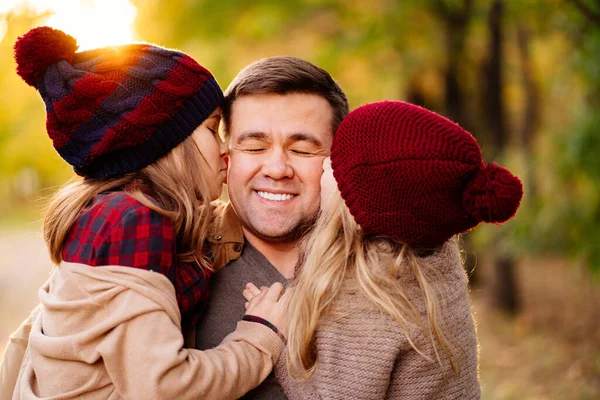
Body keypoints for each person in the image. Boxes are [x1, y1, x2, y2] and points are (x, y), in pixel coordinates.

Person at [0, 26, 288, 400]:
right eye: (211, 128)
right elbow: (164, 387)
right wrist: (259, 336)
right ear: (168, 142)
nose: (225, 151)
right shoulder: (133, 220)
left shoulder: (105, 209)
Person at [253, 101, 524, 399]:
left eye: (338, 163)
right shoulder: (433, 258)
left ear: (365, 205)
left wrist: (275, 339)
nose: (325, 164)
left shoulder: (367, 306)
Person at [193, 56, 349, 398]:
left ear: (338, 160)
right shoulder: (177, 249)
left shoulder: (385, 266)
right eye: (254, 147)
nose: (277, 168)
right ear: (226, 156)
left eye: (302, 150)